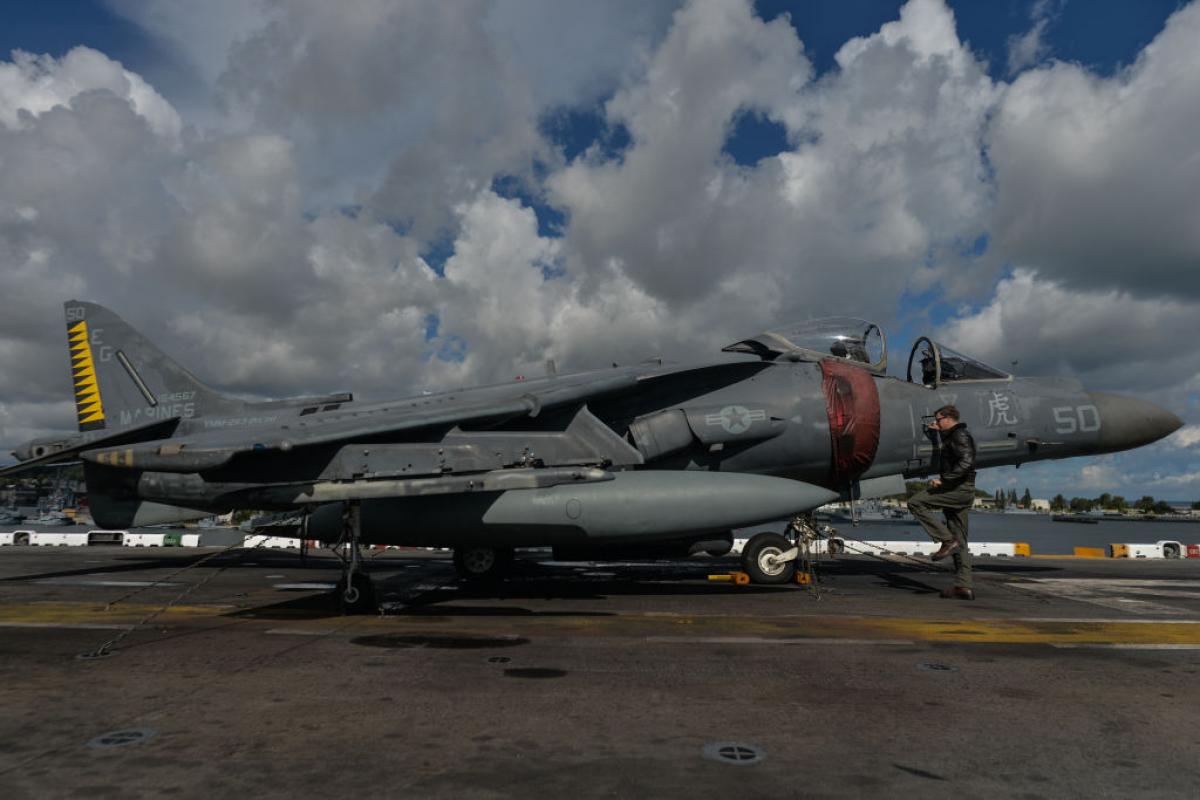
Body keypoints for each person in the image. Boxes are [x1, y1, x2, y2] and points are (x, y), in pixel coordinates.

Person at [907, 404, 977, 600]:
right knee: (960, 540)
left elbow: (967, 461)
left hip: (957, 489)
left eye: (938, 420)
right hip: (960, 489)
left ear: (948, 418)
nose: (936, 423)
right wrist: (937, 433)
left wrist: (944, 480)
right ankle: (963, 586)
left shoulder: (960, 435)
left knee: (915, 502)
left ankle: (946, 540)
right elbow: (952, 452)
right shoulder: (953, 435)